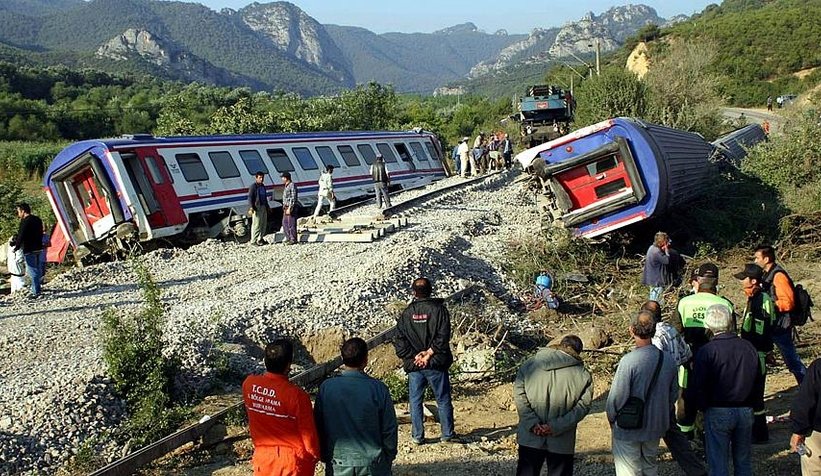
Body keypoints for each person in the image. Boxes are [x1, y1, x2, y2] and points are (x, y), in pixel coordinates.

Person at [606, 311, 678, 476]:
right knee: (650, 467)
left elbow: (617, 397)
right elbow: (673, 393)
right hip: (656, 424)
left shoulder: (629, 361)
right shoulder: (668, 360)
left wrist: (611, 417)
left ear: (631, 330)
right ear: (653, 331)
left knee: (628, 470)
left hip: (628, 426)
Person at [692, 304, 760, 476]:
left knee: (718, 464)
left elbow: (698, 384)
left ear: (707, 325)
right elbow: (758, 379)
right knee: (743, 462)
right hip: (745, 409)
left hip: (718, 410)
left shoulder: (706, 351)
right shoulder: (748, 347)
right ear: (730, 322)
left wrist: (702, 406)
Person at [314, 338, 398, 476]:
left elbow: (318, 425)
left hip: (338, 462)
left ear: (342, 358)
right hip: (373, 463)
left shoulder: (326, 388)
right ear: (366, 359)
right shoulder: (378, 389)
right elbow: (389, 428)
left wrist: (324, 455)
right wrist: (388, 457)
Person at [670, 263, 736, 438]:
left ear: (697, 281)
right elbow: (732, 338)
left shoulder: (684, 303)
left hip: (689, 364)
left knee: (685, 401)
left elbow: (674, 334)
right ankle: (709, 435)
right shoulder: (725, 304)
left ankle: (686, 438)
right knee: (713, 401)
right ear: (716, 282)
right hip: (717, 365)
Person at [513, 335, 593, 476]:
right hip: (562, 441)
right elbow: (582, 407)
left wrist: (532, 423)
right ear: (578, 352)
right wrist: (555, 426)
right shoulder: (583, 374)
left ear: (560, 345)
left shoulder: (529, 364)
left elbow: (519, 395)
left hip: (530, 435)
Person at [642, 302, 706, 476]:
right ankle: (696, 470)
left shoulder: (654, 338)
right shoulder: (671, 330)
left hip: (655, 393)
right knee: (674, 435)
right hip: (671, 386)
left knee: (646, 439)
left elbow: (652, 366)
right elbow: (686, 355)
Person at [243, 339, 320, 476]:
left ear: (265, 360)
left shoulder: (249, 385)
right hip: (292, 462)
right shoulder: (297, 396)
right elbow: (308, 434)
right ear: (288, 365)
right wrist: (314, 455)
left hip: (263, 457)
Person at [393, 277, 455, 445]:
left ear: (414, 292)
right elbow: (443, 336)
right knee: (442, 399)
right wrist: (428, 354)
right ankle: (447, 434)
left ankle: (417, 436)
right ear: (431, 290)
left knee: (415, 401)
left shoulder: (407, 313)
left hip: (415, 367)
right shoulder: (439, 310)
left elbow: (399, 340)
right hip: (435, 363)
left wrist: (415, 356)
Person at [754, 244, 807, 384]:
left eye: (757, 258)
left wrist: (768, 306)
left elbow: (788, 303)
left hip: (780, 325)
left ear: (766, 259)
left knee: (792, 361)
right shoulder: (767, 274)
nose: (755, 261)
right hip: (772, 324)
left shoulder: (778, 276)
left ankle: (810, 388)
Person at [734, 263, 776, 443]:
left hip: (756, 355)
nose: (741, 283)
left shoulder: (761, 300)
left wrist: (764, 352)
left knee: (756, 396)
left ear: (753, 281)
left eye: (744, 279)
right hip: (753, 353)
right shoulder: (754, 298)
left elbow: (762, 331)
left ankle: (759, 435)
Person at [790, 357, 821, 475]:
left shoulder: (817, 367)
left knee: (814, 469)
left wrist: (798, 431)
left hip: (818, 433)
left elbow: (805, 401)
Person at [11, 203, 44, 299]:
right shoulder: (37, 219)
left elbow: (21, 235)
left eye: (18, 211)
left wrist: (16, 247)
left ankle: (36, 291)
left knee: (32, 270)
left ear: (23, 211)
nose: (18, 214)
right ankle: (37, 287)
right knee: (37, 269)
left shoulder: (25, 221)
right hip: (38, 247)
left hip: (29, 248)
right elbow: (41, 233)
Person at [641, 232, 672, 305]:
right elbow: (667, 260)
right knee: (657, 301)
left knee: (653, 297)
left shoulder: (651, 248)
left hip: (652, 279)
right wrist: (666, 251)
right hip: (657, 280)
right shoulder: (657, 252)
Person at [247, 171, 269, 246]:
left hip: (263, 207)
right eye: (260, 177)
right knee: (256, 224)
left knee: (263, 224)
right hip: (257, 208)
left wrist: (268, 207)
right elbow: (250, 197)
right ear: (256, 178)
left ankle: (260, 239)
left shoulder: (262, 186)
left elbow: (264, 197)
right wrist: (251, 207)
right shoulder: (253, 186)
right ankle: (253, 241)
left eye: (262, 177)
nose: (261, 179)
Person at [281, 172, 299, 245]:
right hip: (285, 207)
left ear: (286, 178)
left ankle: (293, 239)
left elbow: (293, 197)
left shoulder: (292, 185)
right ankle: (288, 237)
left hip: (290, 207)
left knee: (291, 223)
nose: (282, 179)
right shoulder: (286, 185)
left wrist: (290, 207)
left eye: (282, 177)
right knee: (285, 223)